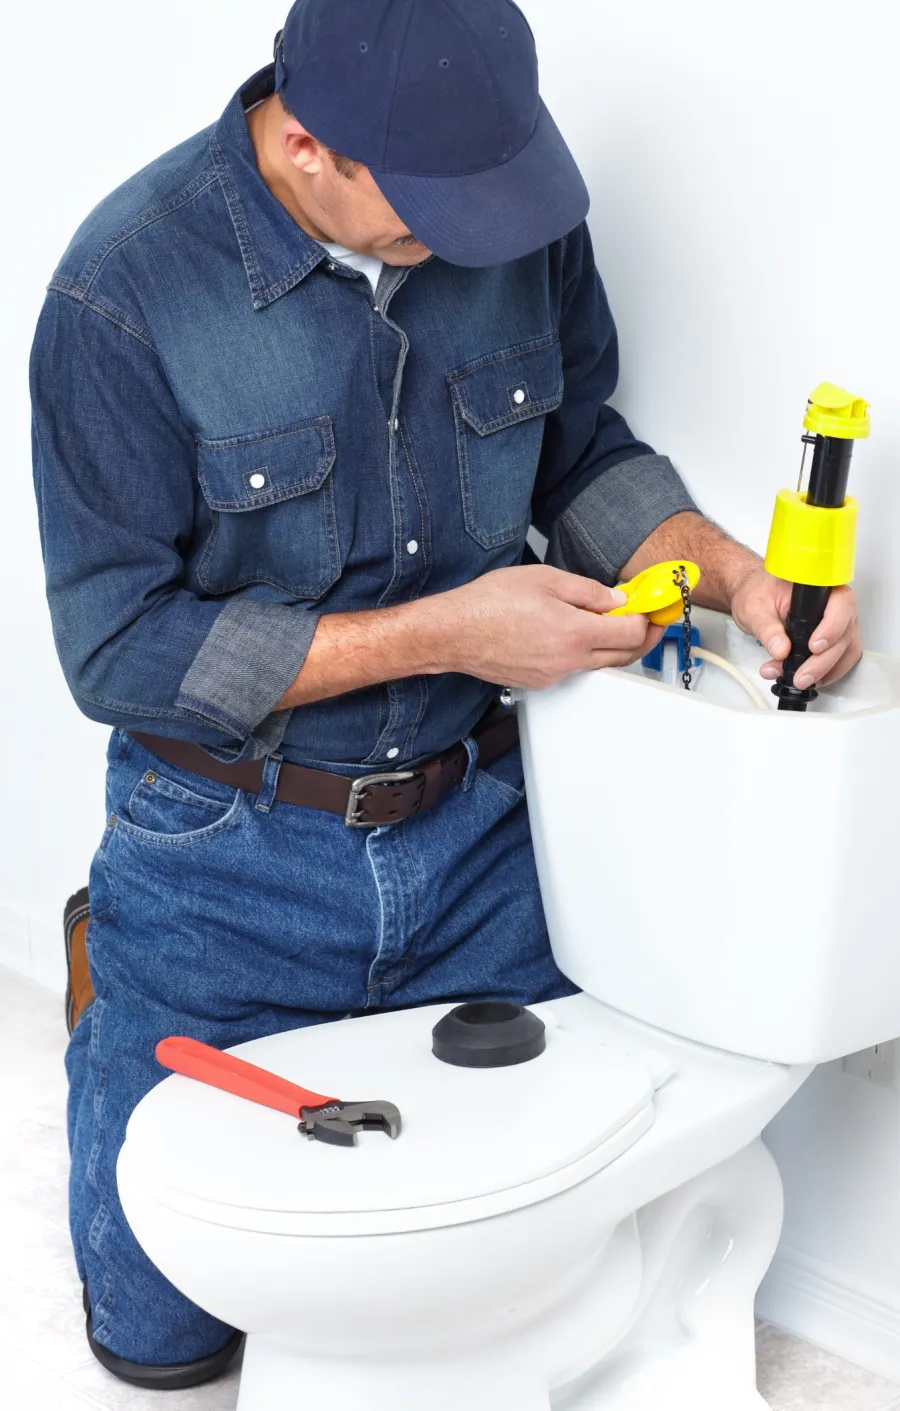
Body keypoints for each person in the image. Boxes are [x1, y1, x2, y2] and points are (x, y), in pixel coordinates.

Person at [30, 0, 861, 1391]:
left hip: (483, 842)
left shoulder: (505, 213)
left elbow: (578, 451)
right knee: (160, 1348)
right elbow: (116, 649)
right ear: (305, 145)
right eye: (433, 213)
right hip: (225, 857)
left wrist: (730, 575)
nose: (479, 238)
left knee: (546, 1228)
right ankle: (112, 974)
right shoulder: (123, 294)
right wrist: (451, 634)